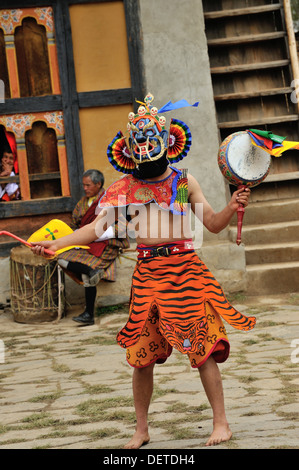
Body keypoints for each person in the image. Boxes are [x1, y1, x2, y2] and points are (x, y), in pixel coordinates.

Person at [31, 93, 256, 447]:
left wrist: (230, 205)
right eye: (139, 144)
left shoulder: (183, 183)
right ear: (128, 149)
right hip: (148, 276)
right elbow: (97, 229)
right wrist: (57, 244)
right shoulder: (124, 190)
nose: (145, 151)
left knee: (205, 348)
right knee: (141, 357)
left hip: (186, 272)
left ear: (168, 143)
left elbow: (212, 224)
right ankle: (141, 429)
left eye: (152, 143)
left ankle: (221, 422)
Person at [57, 169, 129, 326]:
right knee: (60, 258)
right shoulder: (83, 202)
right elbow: (75, 222)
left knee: (87, 274)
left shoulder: (111, 200)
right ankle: (90, 271)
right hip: (85, 243)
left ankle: (89, 313)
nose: (85, 188)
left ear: (98, 184)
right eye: (83, 185)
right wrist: (75, 234)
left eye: (88, 185)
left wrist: (100, 234)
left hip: (107, 244)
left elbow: (122, 228)